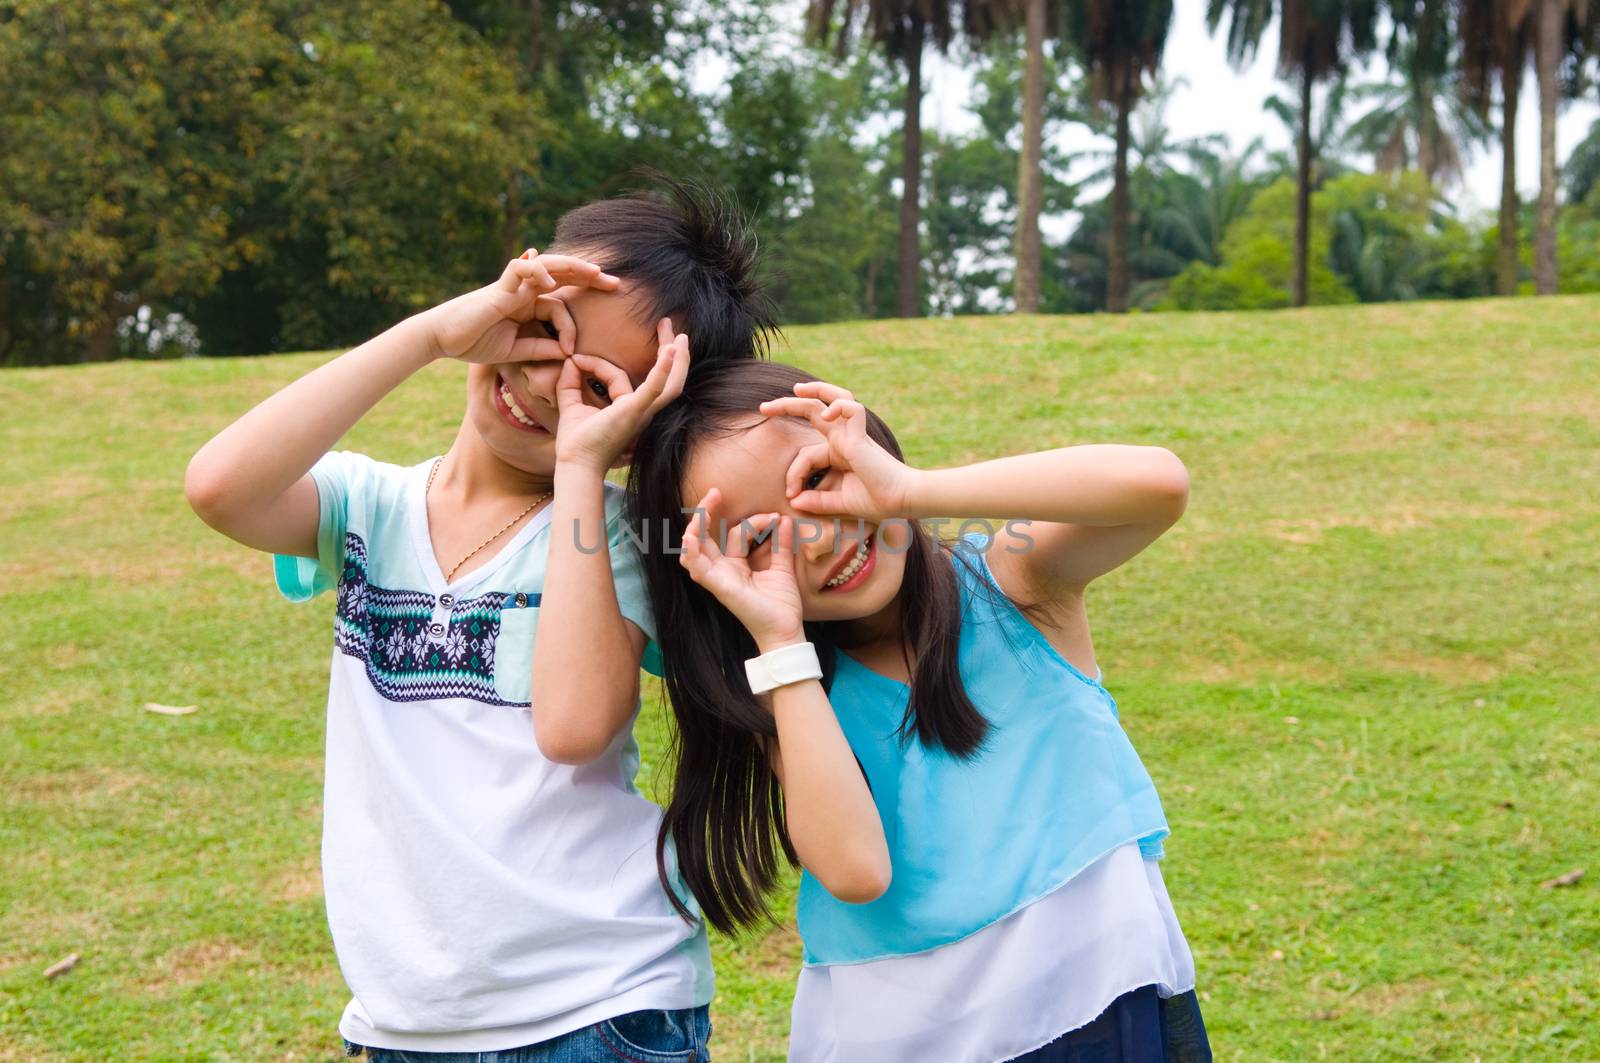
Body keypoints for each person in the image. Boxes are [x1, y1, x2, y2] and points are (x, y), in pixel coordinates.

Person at [184, 180, 775, 1059]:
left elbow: (575, 728)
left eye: (598, 383)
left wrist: (582, 467)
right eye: (542, 331)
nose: (544, 385)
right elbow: (218, 486)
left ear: (649, 415)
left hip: (597, 1010)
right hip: (403, 1022)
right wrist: (433, 333)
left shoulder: (603, 533)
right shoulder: (367, 505)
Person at [627, 360, 1212, 1063]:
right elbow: (855, 869)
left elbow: (1157, 486)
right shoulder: (792, 691)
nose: (816, 538)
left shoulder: (1016, 589)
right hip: (902, 1035)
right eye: (759, 539)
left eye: (817, 480)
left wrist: (908, 489)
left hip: (1105, 1004)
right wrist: (779, 639)